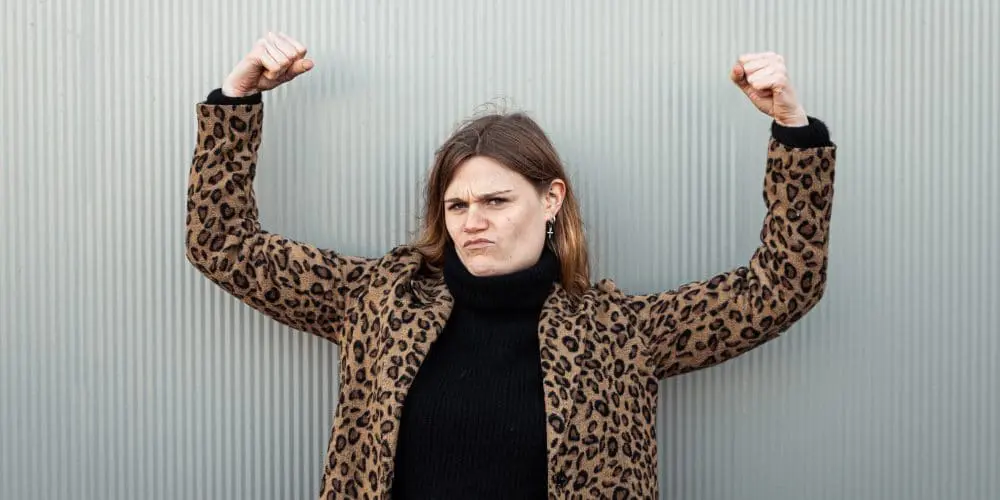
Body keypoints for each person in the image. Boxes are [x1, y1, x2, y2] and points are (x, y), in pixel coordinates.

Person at [185, 32, 836, 500]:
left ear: (550, 199)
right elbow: (223, 243)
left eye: (496, 201)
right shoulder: (380, 301)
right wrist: (237, 99)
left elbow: (781, 286)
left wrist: (792, 127)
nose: (473, 220)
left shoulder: (618, 331)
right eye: (457, 204)